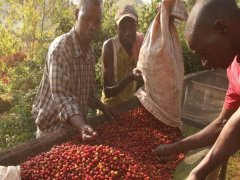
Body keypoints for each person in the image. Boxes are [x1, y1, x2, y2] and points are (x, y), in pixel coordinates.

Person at [153, 0, 240, 179]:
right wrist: (175, 148)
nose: (204, 63)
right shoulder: (233, 68)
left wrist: (197, 172)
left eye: (202, 52)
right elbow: (223, 123)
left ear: (222, 28)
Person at [32, 0, 115, 141]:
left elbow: (88, 94)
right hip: (52, 131)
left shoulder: (89, 53)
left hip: (75, 130)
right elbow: (62, 97)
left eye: (97, 21)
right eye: (86, 19)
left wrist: (103, 107)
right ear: (77, 15)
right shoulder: (60, 48)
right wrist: (82, 126)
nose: (91, 26)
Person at [101, 4, 144, 106]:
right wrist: (130, 78)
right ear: (116, 28)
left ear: (136, 26)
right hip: (110, 108)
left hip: (128, 105)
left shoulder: (140, 43)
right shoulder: (110, 47)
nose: (128, 32)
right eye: (123, 28)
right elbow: (108, 92)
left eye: (131, 26)